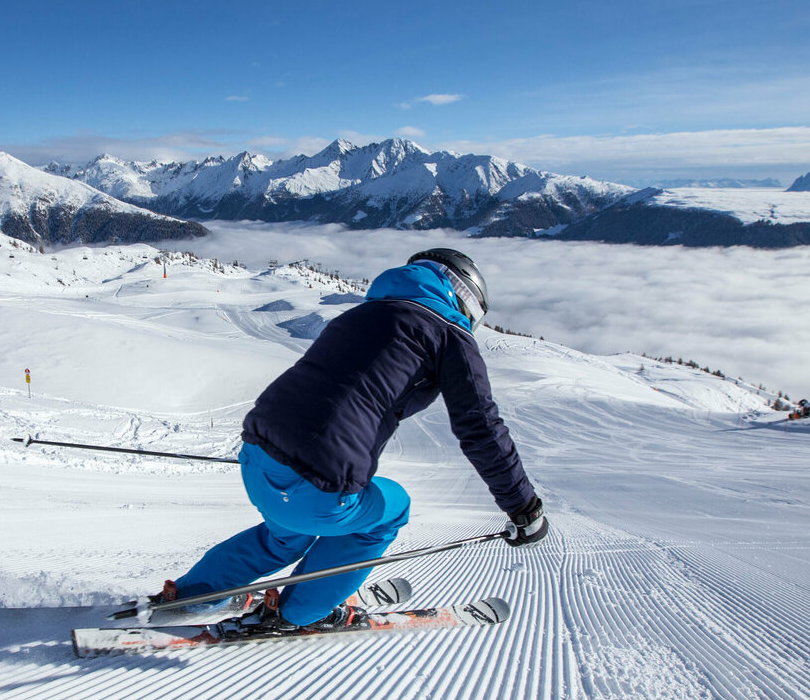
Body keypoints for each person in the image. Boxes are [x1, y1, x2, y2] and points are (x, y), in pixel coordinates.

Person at [163, 248, 548, 630]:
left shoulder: (361, 314)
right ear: (465, 299)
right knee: (390, 510)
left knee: (285, 537)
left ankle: (189, 596)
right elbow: (479, 427)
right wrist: (523, 507)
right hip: (316, 484)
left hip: (256, 456)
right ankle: (295, 614)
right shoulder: (449, 335)